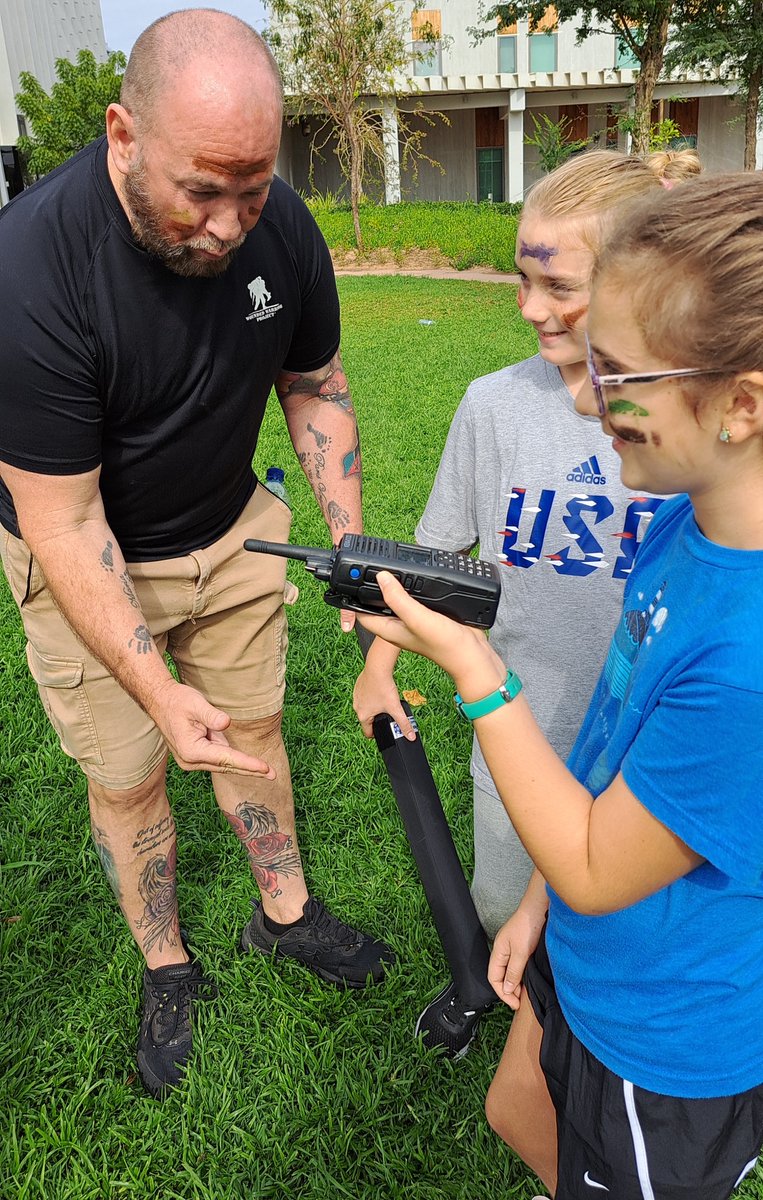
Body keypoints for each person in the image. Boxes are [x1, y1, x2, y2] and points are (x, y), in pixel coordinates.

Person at [0, 9, 393, 1100]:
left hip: (230, 532)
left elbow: (312, 384)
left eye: (253, 187)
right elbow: (64, 524)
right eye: (201, 190)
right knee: (130, 780)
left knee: (254, 732)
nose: (228, 226)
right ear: (123, 135)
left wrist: (352, 546)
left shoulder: (284, 230)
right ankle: (166, 964)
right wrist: (154, 687)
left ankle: (285, 912)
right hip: (86, 557)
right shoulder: (31, 268)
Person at [357, 171, 763, 1200]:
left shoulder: (745, 666)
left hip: (664, 1034)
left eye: (614, 368)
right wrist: (538, 902)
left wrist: (479, 674)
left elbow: (597, 863)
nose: (583, 393)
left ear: (740, 405)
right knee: (513, 1107)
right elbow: (606, 748)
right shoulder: (682, 522)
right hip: (588, 938)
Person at [354, 150, 666, 1057]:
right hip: (513, 729)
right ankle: (518, 1012)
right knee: (509, 905)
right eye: (522, 279)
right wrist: (381, 665)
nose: (529, 307)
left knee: (622, 931)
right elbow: (436, 557)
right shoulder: (491, 407)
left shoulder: (677, 422)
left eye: (556, 285)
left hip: (642, 755)